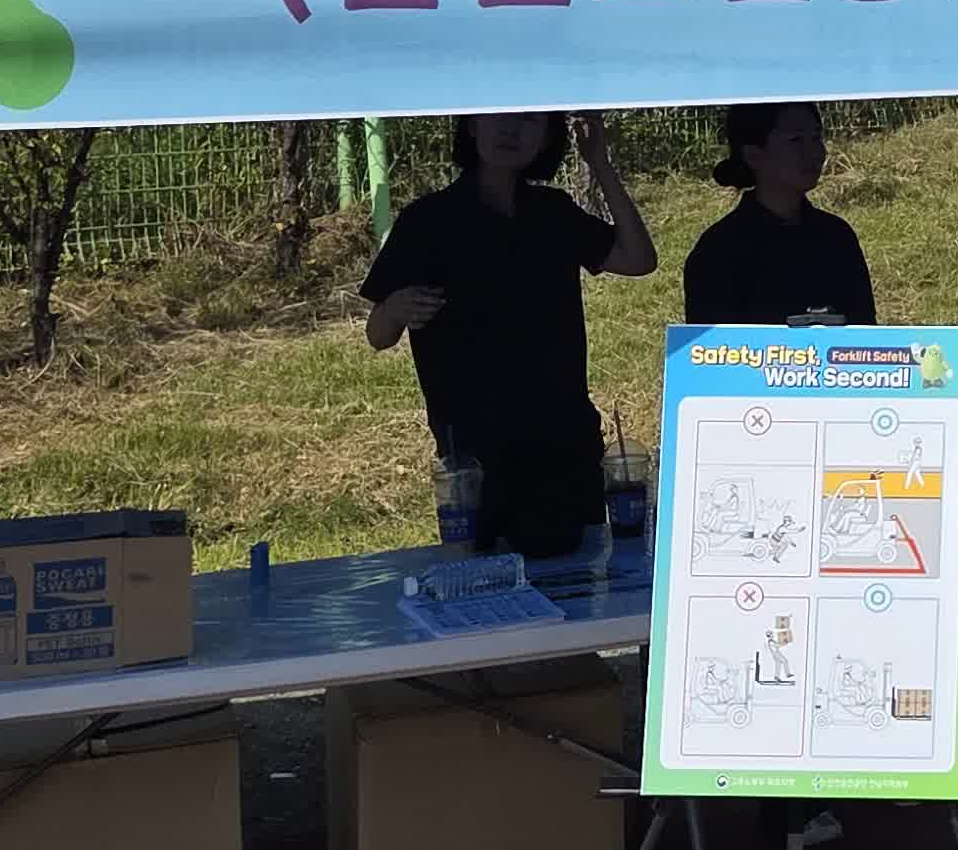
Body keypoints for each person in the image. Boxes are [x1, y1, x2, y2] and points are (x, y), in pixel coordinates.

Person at [362, 113, 658, 559]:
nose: (511, 130)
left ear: (547, 137)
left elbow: (638, 259)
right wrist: (396, 307)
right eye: (499, 116)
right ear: (473, 126)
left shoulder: (553, 212)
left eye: (531, 120)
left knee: (579, 585)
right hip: (479, 456)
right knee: (491, 594)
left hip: (565, 444)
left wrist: (600, 164)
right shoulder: (427, 221)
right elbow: (378, 335)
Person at [680, 102, 878, 325]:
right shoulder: (718, 250)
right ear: (754, 155)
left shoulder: (837, 235)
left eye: (816, 138)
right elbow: (708, 352)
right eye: (796, 140)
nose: (815, 152)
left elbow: (865, 333)